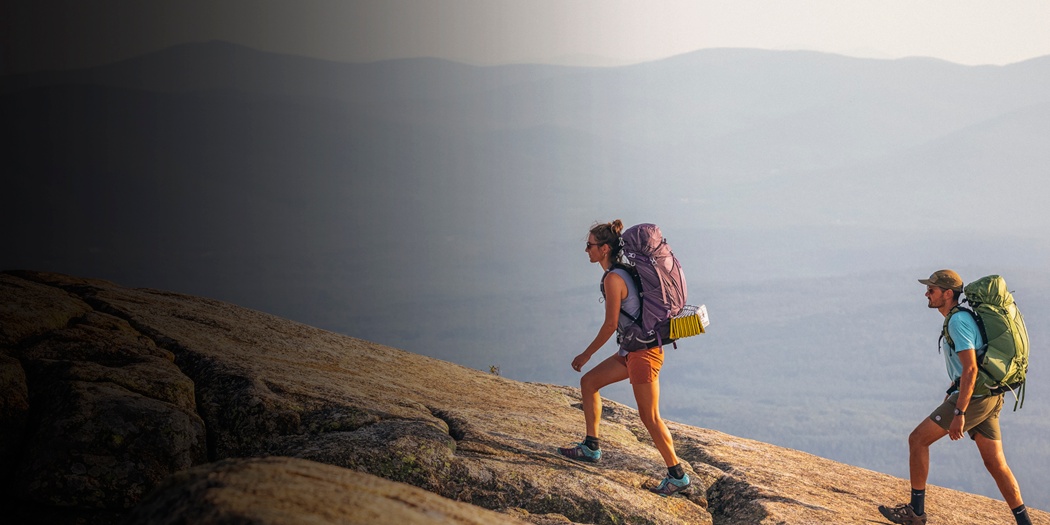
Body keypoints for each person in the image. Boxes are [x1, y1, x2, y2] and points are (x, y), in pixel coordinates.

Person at [878, 269, 1032, 525]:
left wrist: (959, 412)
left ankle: (915, 513)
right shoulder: (961, 318)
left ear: (948, 294)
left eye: (932, 290)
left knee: (917, 440)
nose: (926, 294)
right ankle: (1025, 522)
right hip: (989, 395)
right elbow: (970, 366)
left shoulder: (957, 322)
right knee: (995, 463)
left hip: (974, 398)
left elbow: (971, 368)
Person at [557, 220, 690, 497]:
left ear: (604, 248)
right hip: (632, 351)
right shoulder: (621, 272)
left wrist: (586, 353)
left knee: (650, 417)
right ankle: (591, 446)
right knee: (589, 382)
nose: (586, 250)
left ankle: (677, 475)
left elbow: (609, 325)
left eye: (590, 245)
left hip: (643, 355)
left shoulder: (614, 279)